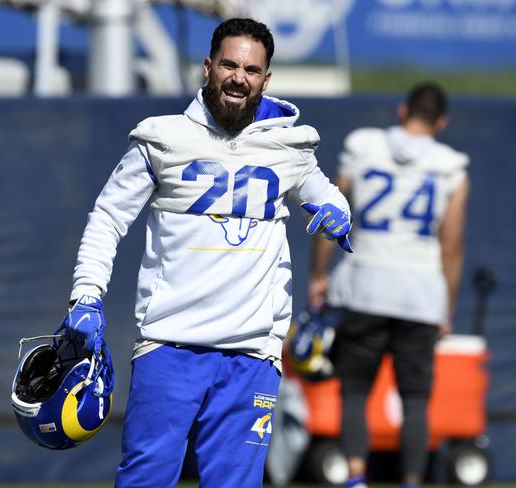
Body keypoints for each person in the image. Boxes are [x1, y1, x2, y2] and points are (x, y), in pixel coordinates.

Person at [65, 18, 352, 487]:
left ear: (266, 79)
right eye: (229, 65)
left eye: (252, 70)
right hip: (170, 347)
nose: (239, 77)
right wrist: (86, 295)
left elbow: (329, 197)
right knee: (146, 480)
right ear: (208, 68)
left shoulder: (291, 144)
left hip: (253, 356)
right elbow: (107, 218)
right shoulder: (162, 138)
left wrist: (339, 214)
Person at [308, 82, 469, 488]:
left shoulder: (364, 146)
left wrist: (319, 276)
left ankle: (357, 476)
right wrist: (446, 307)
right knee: (415, 399)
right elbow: (451, 247)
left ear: (403, 111)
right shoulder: (450, 166)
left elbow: (332, 215)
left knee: (355, 391)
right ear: (442, 122)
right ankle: (412, 480)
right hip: (420, 294)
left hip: (364, 285)